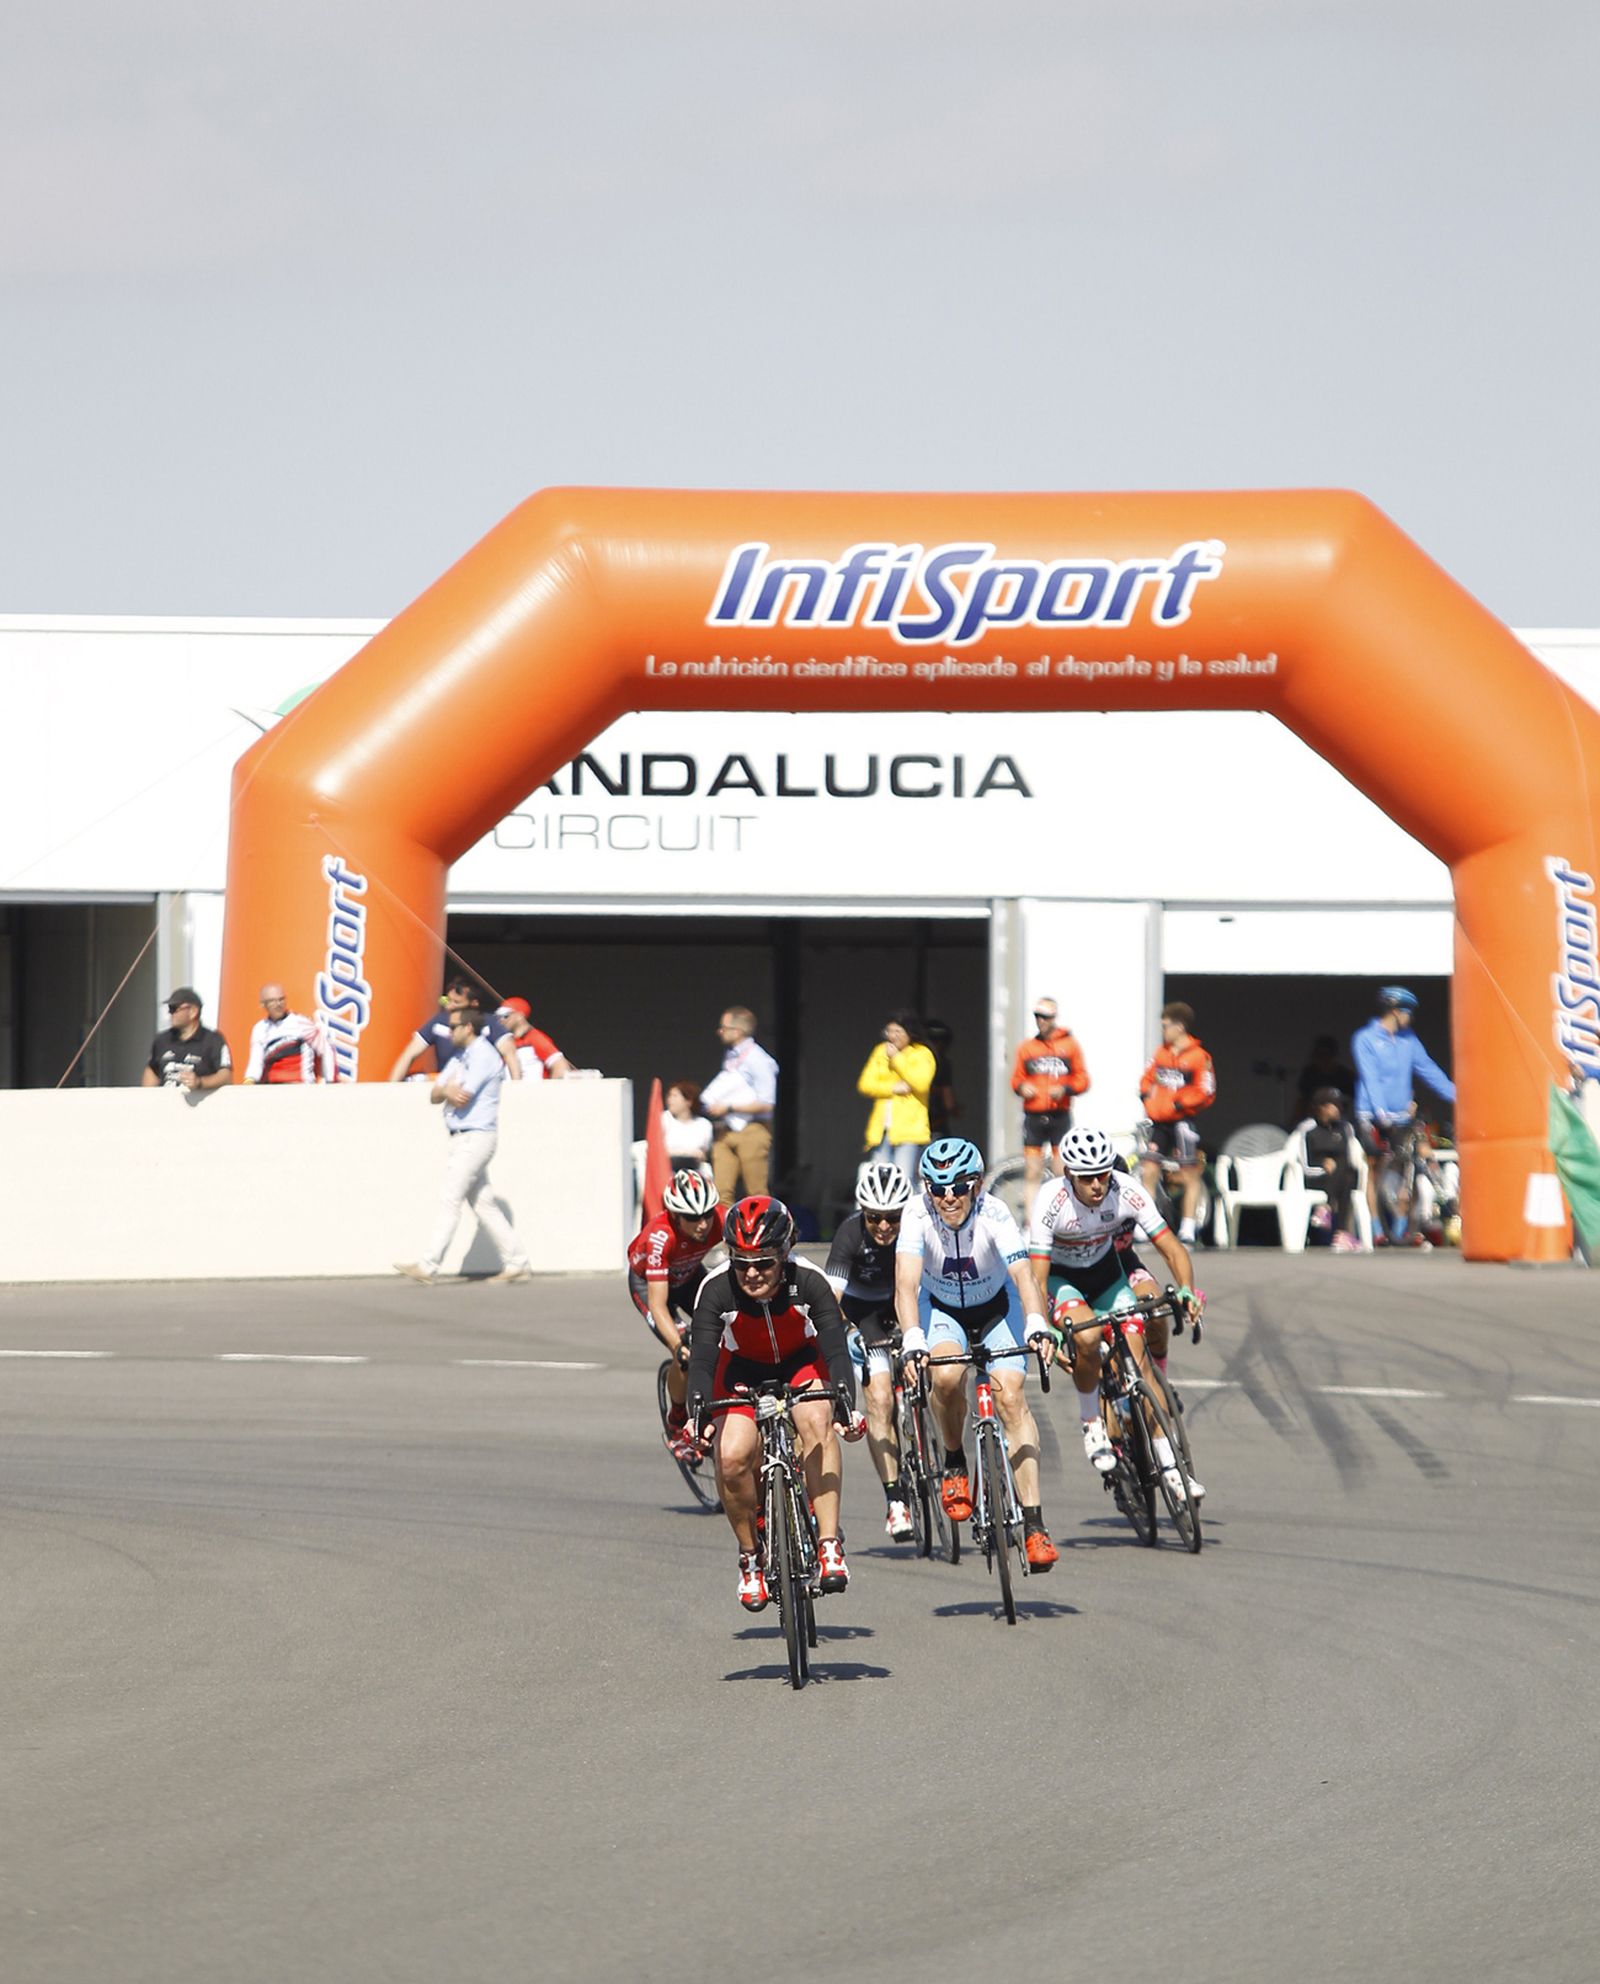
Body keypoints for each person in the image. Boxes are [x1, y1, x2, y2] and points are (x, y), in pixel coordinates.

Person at [685, 1196, 861, 1611]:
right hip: (740, 1369)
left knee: (817, 1420)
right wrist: (698, 1413)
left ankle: (829, 1544)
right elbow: (704, 1359)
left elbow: (835, 1348)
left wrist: (846, 1406)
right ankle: (750, 1556)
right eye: (741, 1262)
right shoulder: (716, 1288)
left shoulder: (810, 1280)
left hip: (801, 1362)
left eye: (763, 1263)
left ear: (784, 1253)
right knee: (731, 1456)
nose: (751, 1273)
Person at [893, 1136, 1060, 1570]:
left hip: (997, 1306)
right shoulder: (915, 1214)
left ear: (978, 1185)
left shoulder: (996, 1213)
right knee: (946, 1378)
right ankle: (954, 1461)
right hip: (941, 1308)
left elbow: (1024, 1276)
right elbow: (906, 1285)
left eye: (959, 1187)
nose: (948, 1197)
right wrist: (912, 1338)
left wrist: (1037, 1322)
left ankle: (1034, 1523)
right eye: (937, 1188)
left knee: (1011, 1399)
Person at [1029, 1127, 1204, 1499]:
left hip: (1108, 1276)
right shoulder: (1051, 1199)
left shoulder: (1126, 1189)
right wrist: (1043, 1326)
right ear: (1069, 1175)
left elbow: (1171, 1247)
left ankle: (1170, 1467)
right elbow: (1038, 1275)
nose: (1097, 1184)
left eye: (1102, 1174)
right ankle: (1091, 1420)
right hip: (1063, 1280)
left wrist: (1187, 1289)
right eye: (1087, 1177)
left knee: (1140, 1366)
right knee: (1088, 1337)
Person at [395, 1007, 531, 1285]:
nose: (449, 1032)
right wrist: (446, 1090)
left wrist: (446, 1090)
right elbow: (436, 1094)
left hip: (476, 1137)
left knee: (450, 1198)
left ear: (468, 1028)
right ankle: (517, 1261)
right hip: (463, 1137)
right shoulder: (461, 1056)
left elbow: (462, 1095)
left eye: (454, 1027)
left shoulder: (483, 1055)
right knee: (484, 1204)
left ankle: (428, 1265)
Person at [824, 1162, 916, 1541]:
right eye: (874, 1217)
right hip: (865, 1316)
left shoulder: (918, 1228)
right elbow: (831, 1298)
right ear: (863, 1212)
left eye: (892, 1218)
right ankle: (895, 1501)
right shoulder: (849, 1234)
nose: (883, 1227)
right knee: (879, 1398)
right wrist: (847, 1330)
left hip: (908, 1305)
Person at [627, 1170, 724, 1457]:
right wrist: (678, 1345)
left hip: (689, 1275)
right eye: (692, 1218)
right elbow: (658, 1305)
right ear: (674, 1215)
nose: (703, 1224)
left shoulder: (720, 1220)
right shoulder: (660, 1237)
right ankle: (677, 1420)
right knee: (685, 1355)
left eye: (707, 1214)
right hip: (652, 1285)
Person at [1351, 986, 1456, 1245]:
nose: (1411, 1016)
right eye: (1407, 1011)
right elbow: (1370, 1077)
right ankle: (1377, 1229)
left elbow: (1429, 1070)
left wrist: (1458, 1096)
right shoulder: (1365, 1038)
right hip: (1372, 1114)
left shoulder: (1409, 1040)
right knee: (1374, 1171)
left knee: (1407, 1169)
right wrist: (1380, 1111)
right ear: (1395, 1011)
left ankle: (1400, 1228)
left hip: (1401, 1116)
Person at [1138, 1002, 1216, 1246]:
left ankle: (1188, 1228)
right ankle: (1147, 1226)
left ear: (1179, 1026)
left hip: (1183, 1121)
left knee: (1189, 1174)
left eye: (1165, 1026)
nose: (1163, 1031)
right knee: (1149, 1170)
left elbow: (1206, 1090)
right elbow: (1146, 1078)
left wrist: (1180, 1103)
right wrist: (1147, 1096)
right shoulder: (1161, 1053)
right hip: (1159, 1122)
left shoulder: (1199, 1056)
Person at [1011, 997, 1090, 1196]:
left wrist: (1065, 1089)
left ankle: (1062, 1209)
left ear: (1054, 1018)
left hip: (1059, 1114)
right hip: (1034, 1115)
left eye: (1045, 1017)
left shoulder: (1070, 1046)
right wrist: (1022, 1087)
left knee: (1061, 1170)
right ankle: (1030, 1215)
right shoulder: (1027, 1047)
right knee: (1032, 1171)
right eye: (1037, 1016)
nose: (1041, 1021)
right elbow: (1016, 1079)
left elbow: (1083, 1080)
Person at [701, 1006, 779, 1205]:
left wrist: (728, 1108)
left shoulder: (758, 1059)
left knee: (756, 1191)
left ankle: (761, 1224)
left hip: (752, 1129)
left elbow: (767, 1103)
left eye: (724, 1028)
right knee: (721, 1193)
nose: (720, 1032)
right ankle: (723, 1225)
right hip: (726, 1128)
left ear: (738, 1031)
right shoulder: (731, 1056)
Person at [388, 976, 520, 1083]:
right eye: (447, 1000)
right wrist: (390, 1089)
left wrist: (516, 1091)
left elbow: (510, 1056)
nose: (449, 1006)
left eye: (456, 1002)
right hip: (448, 1086)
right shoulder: (438, 1022)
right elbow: (409, 1055)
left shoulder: (490, 1024)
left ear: (474, 1004)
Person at [856, 1009, 936, 1185]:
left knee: (904, 1179)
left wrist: (897, 1059)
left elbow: (921, 1083)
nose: (892, 1036)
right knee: (880, 1180)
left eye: (898, 1032)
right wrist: (892, 1088)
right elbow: (865, 1084)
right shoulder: (880, 1051)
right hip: (882, 1129)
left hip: (909, 1131)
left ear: (910, 1033)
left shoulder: (922, 1054)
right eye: (889, 1031)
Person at [1293, 1088, 1363, 1250]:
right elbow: (1305, 1166)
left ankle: (1327, 1211)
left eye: (1339, 1105)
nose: (1338, 1109)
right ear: (1321, 1107)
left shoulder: (1345, 1128)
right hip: (1314, 1178)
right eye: (1334, 1105)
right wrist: (1323, 1166)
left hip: (1340, 1179)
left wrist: (1334, 1165)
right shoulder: (1307, 1129)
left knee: (1347, 1174)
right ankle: (1340, 1231)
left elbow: (1350, 1156)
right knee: (1343, 1174)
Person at [143, 988, 232, 1092]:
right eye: (170, 1009)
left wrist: (200, 1082)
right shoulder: (161, 1040)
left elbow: (226, 1076)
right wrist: (146, 1097)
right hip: (166, 1101)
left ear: (193, 1011)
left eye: (174, 1008)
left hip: (200, 1101)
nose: (170, 1013)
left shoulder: (212, 1040)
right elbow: (152, 1071)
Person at [243, 983, 335, 1084]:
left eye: (281, 999)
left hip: (301, 1086)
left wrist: (330, 1081)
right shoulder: (260, 1028)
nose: (278, 1004)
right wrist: (249, 1081)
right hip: (271, 1087)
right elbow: (256, 1060)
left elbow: (326, 1050)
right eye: (272, 1001)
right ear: (263, 1005)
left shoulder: (302, 1022)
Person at [496, 995, 574, 1080]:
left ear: (519, 1016)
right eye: (498, 1017)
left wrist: (549, 1088)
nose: (501, 1020)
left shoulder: (536, 1038)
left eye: (505, 1016)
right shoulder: (505, 1042)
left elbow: (561, 1067)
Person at [1292, 1034, 1356, 1124]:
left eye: (1327, 1055)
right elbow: (1302, 1100)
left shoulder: (1345, 1076)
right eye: (1320, 1056)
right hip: (1313, 1120)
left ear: (1334, 1056)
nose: (1324, 1059)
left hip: (1340, 1121)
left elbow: (1353, 1103)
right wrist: (1294, 1121)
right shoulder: (1310, 1073)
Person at [661, 1079, 715, 1179]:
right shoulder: (664, 1119)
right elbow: (658, 1150)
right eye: (669, 1096)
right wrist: (687, 1153)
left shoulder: (704, 1125)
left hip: (694, 1175)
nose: (670, 1100)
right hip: (667, 1173)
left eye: (675, 1096)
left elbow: (703, 1154)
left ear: (688, 1101)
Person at [923, 1017, 958, 1138]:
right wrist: (954, 1109)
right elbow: (949, 1101)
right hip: (935, 1126)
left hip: (912, 1125)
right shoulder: (943, 1064)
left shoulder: (909, 1060)